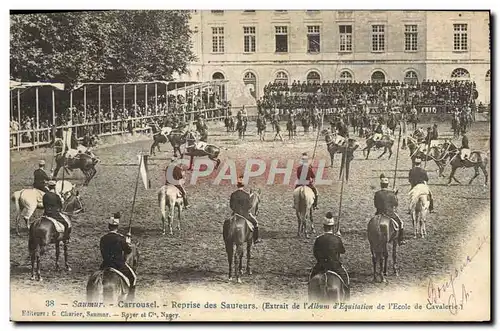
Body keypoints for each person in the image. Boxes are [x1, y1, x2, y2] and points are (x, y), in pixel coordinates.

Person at [309, 212, 350, 299]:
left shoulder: (318, 239)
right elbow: (342, 251)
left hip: (320, 267)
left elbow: (315, 253)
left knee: (311, 280)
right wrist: (339, 239)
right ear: (333, 227)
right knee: (346, 281)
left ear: (324, 227)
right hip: (335, 267)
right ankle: (347, 301)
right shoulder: (337, 239)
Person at [99, 212, 137, 300]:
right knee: (133, 278)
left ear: (109, 226)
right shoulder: (121, 238)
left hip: (105, 264)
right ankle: (130, 301)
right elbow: (128, 250)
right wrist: (127, 241)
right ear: (117, 227)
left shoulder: (103, 238)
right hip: (118, 265)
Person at [374, 174, 405, 245]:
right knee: (401, 223)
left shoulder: (377, 193)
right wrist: (394, 195)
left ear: (380, 184)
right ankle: (401, 240)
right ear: (387, 185)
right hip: (389, 214)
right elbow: (395, 204)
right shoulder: (391, 194)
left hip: (379, 213)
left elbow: (375, 205)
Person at [229, 176, 261, 244]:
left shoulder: (233, 194)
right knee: (256, 223)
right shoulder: (246, 195)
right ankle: (256, 239)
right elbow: (249, 206)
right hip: (245, 214)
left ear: (237, 186)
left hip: (235, 213)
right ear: (243, 186)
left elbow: (231, 206)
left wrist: (236, 210)